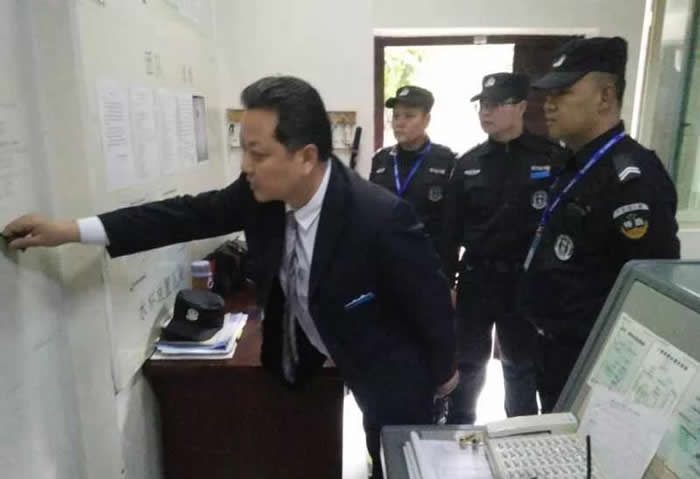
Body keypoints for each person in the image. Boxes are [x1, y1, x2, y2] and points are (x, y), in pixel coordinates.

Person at [3, 76, 458, 479]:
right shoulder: (261, 195)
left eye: (257, 153)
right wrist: (71, 231)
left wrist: (444, 375)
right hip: (310, 354)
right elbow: (184, 215)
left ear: (305, 157)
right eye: (243, 149)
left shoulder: (379, 218)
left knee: (392, 457)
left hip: (388, 364)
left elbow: (431, 301)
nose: (245, 166)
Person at [520, 36, 680, 412]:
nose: (548, 104)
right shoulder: (572, 164)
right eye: (547, 94)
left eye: (562, 93)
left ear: (605, 96)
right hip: (553, 351)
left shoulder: (631, 178)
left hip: (595, 363)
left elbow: (648, 294)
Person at [443, 73, 565, 424]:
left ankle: (521, 433)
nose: (486, 112)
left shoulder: (552, 158)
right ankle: (460, 429)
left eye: (496, 104)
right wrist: (446, 283)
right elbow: (449, 234)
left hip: (524, 282)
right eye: (483, 104)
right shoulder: (468, 164)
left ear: (522, 107)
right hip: (477, 278)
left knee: (520, 365)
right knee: (468, 363)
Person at [370, 86, 456, 263]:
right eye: (396, 116)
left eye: (409, 116)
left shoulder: (446, 160)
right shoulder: (381, 159)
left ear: (426, 120)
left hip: (427, 261)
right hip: (386, 260)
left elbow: (452, 224)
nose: (399, 123)